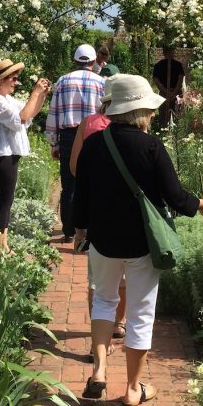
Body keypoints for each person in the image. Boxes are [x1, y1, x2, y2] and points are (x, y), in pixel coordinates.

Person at [72, 74, 203, 406]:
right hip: (142, 243)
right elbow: (175, 195)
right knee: (140, 311)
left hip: (103, 240)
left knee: (104, 301)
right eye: (150, 111)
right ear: (139, 111)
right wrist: (201, 204)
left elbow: (80, 195)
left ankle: (99, 370)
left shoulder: (95, 144)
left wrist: (80, 230)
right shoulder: (151, 146)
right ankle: (133, 389)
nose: (152, 115)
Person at [69, 77, 126, 353]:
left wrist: (79, 228)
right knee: (126, 278)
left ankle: (98, 346)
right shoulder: (140, 133)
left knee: (98, 282)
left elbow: (75, 169)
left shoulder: (88, 124)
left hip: (97, 215)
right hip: (130, 218)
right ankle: (120, 323)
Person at [0, 58, 51, 255]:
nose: (15, 82)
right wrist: (34, 93)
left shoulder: (7, 99)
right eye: (13, 78)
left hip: (8, 152)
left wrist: (41, 96)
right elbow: (19, 119)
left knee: (6, 200)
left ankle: (2, 244)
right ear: (0, 80)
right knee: (4, 200)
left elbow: (29, 114)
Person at [46, 44, 105, 241]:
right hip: (94, 135)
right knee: (95, 182)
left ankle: (69, 231)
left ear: (75, 61)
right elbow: (106, 113)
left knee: (69, 184)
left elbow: (54, 112)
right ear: (94, 61)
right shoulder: (101, 82)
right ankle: (90, 228)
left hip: (69, 136)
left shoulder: (63, 81)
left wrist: (53, 143)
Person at [152, 47, 185, 126]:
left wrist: (172, 93)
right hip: (167, 93)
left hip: (174, 93)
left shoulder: (178, 65)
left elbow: (180, 79)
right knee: (164, 113)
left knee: (176, 113)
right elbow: (156, 81)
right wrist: (170, 92)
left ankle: (170, 129)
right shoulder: (158, 65)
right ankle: (164, 129)